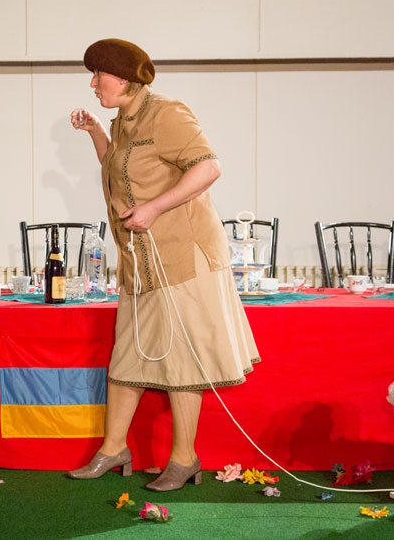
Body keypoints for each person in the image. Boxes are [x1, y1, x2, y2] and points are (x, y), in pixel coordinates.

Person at [68, 38, 259, 491]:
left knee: (182, 360)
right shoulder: (124, 121)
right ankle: (114, 449)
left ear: (124, 79)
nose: (93, 84)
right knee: (129, 352)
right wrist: (97, 132)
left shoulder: (167, 113)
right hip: (141, 260)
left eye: (99, 75)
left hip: (181, 258)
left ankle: (185, 458)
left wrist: (154, 208)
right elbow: (119, 170)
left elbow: (209, 167)